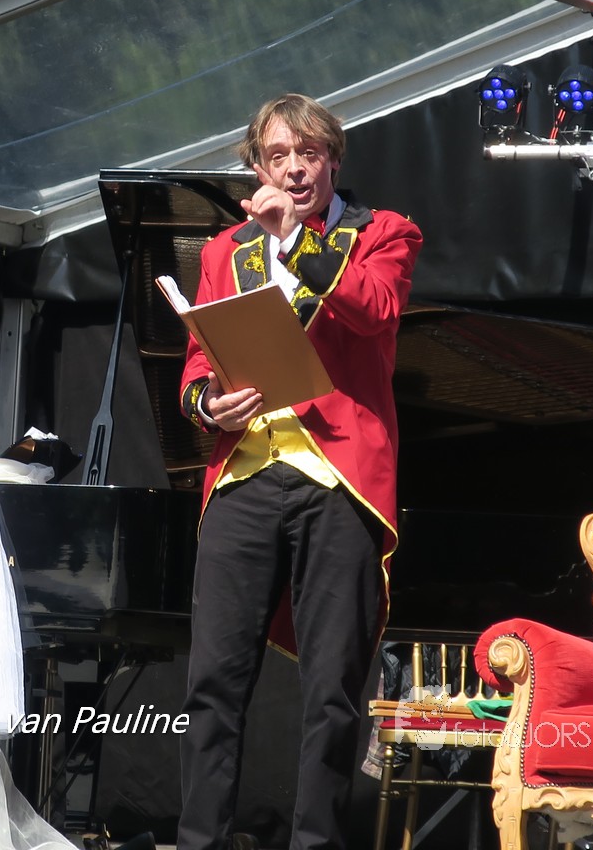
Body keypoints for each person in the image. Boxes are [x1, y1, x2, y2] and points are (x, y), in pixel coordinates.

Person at [175, 93, 422, 850]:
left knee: (332, 691)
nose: (293, 170)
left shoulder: (382, 232)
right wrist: (208, 403)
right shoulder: (225, 251)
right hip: (245, 475)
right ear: (257, 166)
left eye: (308, 154)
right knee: (212, 684)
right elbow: (198, 361)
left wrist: (297, 240)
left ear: (332, 159)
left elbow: (376, 310)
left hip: (339, 478)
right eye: (277, 156)